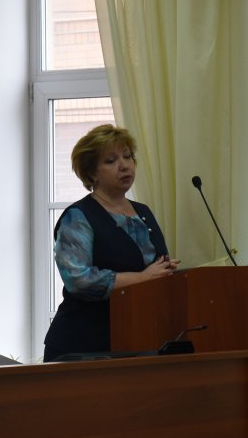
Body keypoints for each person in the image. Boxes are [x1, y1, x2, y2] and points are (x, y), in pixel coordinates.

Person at [43, 125, 178, 361]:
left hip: (137, 339)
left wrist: (165, 272)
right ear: (92, 173)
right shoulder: (78, 217)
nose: (124, 165)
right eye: (111, 161)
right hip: (83, 347)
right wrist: (143, 278)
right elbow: (79, 280)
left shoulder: (143, 212)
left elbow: (156, 266)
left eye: (127, 156)